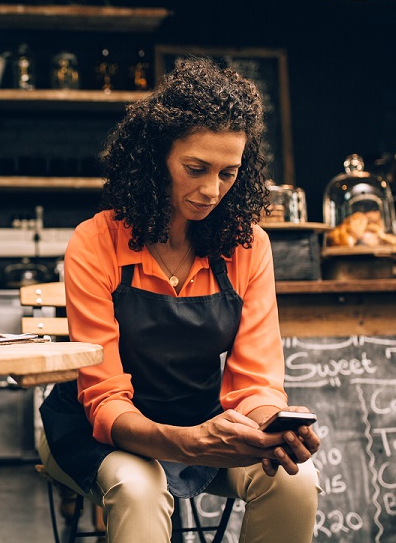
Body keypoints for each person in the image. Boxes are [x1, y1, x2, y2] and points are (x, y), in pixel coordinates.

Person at [38, 57, 321, 542]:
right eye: (196, 168)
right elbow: (105, 401)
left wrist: (269, 425)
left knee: (297, 481)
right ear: (156, 159)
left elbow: (255, 382)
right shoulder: (96, 241)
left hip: (201, 421)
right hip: (98, 429)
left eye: (229, 173)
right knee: (140, 485)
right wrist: (189, 444)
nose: (212, 191)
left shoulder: (249, 246)